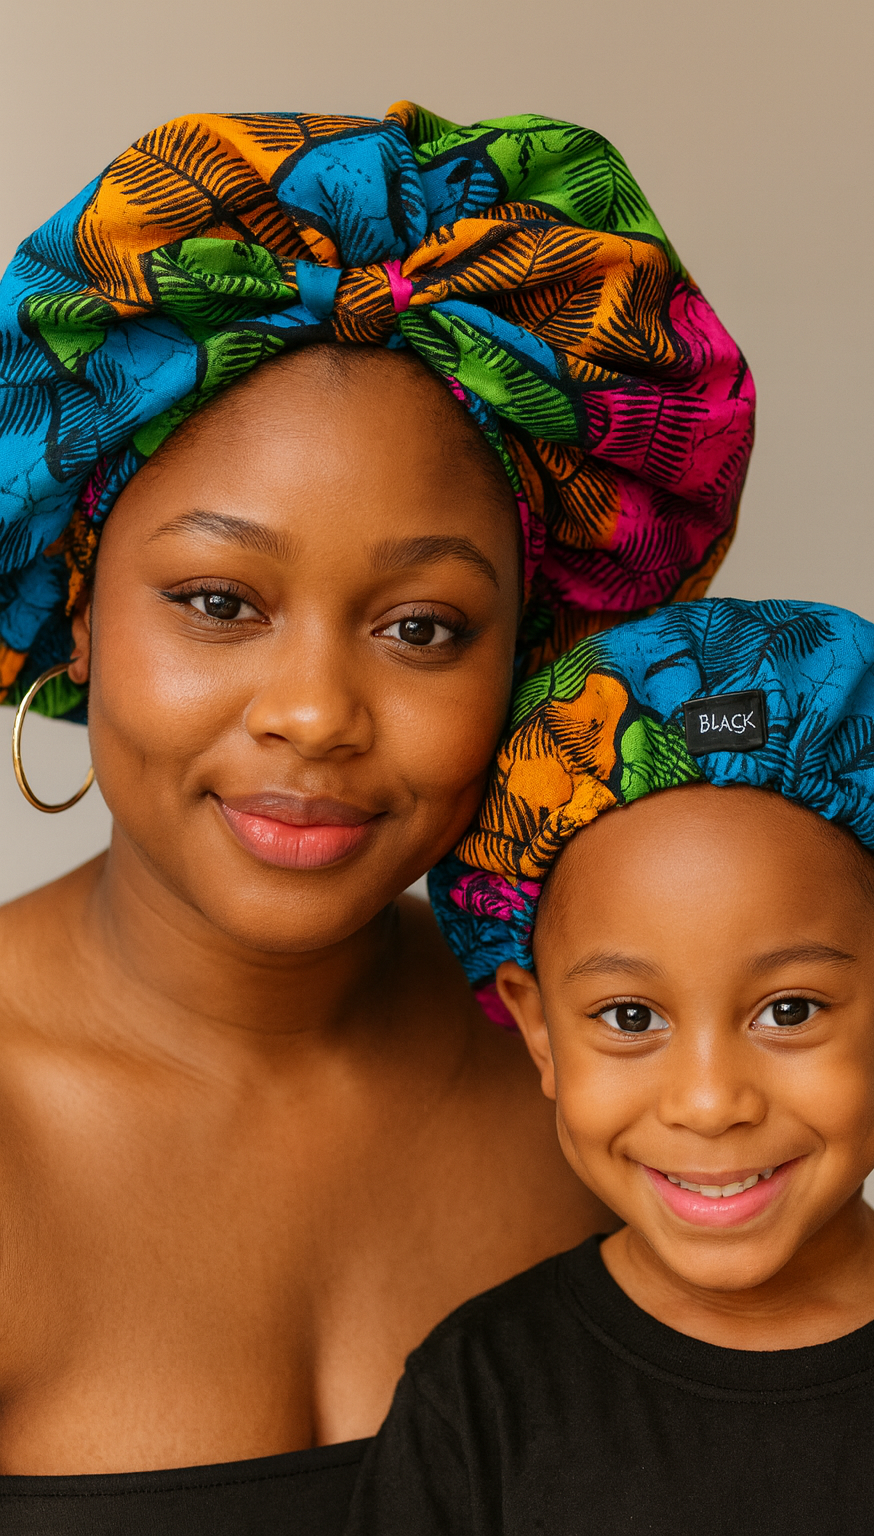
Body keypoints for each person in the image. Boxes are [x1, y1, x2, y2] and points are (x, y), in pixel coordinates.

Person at [0, 107, 754, 1531]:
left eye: (422, 626)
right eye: (220, 604)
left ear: (529, 660)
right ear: (75, 612)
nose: (315, 713)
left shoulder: (603, 1081)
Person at [345, 597, 874, 1535]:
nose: (709, 1103)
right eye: (630, 1016)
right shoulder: (481, 1397)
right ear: (539, 1031)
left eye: (789, 1011)